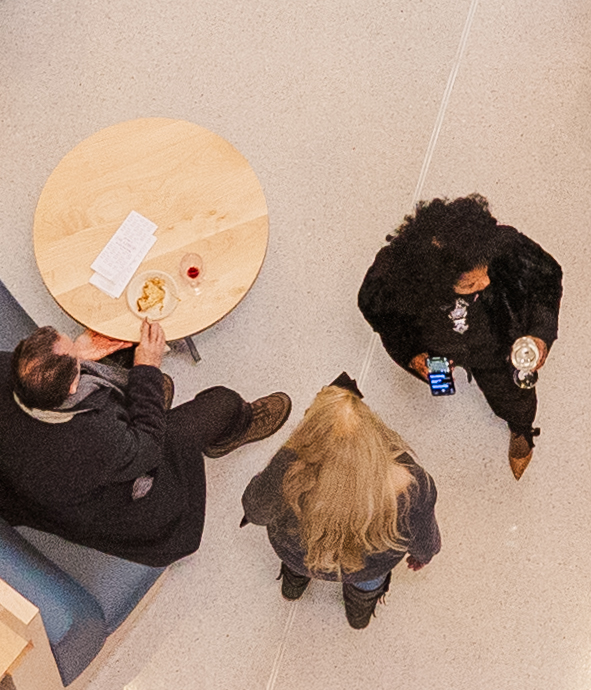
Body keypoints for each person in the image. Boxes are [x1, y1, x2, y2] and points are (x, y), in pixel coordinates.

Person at [0, 323, 285, 571]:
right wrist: (147, 368)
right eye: (77, 362)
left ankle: (152, 397)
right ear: (74, 388)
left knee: (146, 387)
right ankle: (235, 427)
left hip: (33, 477)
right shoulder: (93, 439)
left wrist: (79, 354)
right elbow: (145, 450)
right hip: (116, 501)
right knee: (220, 404)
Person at [359, 192, 561, 478]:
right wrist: (411, 355)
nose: (487, 281)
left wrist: (540, 334)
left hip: (497, 342)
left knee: (514, 395)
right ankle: (443, 383)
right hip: (437, 350)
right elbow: (381, 315)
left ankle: (521, 429)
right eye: (471, 283)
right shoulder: (393, 276)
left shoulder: (501, 245)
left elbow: (546, 278)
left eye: (486, 270)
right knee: (440, 384)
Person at [240, 374, 441, 626]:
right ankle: (358, 617)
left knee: (295, 568)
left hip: (298, 555)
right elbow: (423, 534)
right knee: (366, 588)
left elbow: (256, 511)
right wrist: (424, 554)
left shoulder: (287, 467)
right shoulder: (412, 484)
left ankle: (292, 588)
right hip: (368, 567)